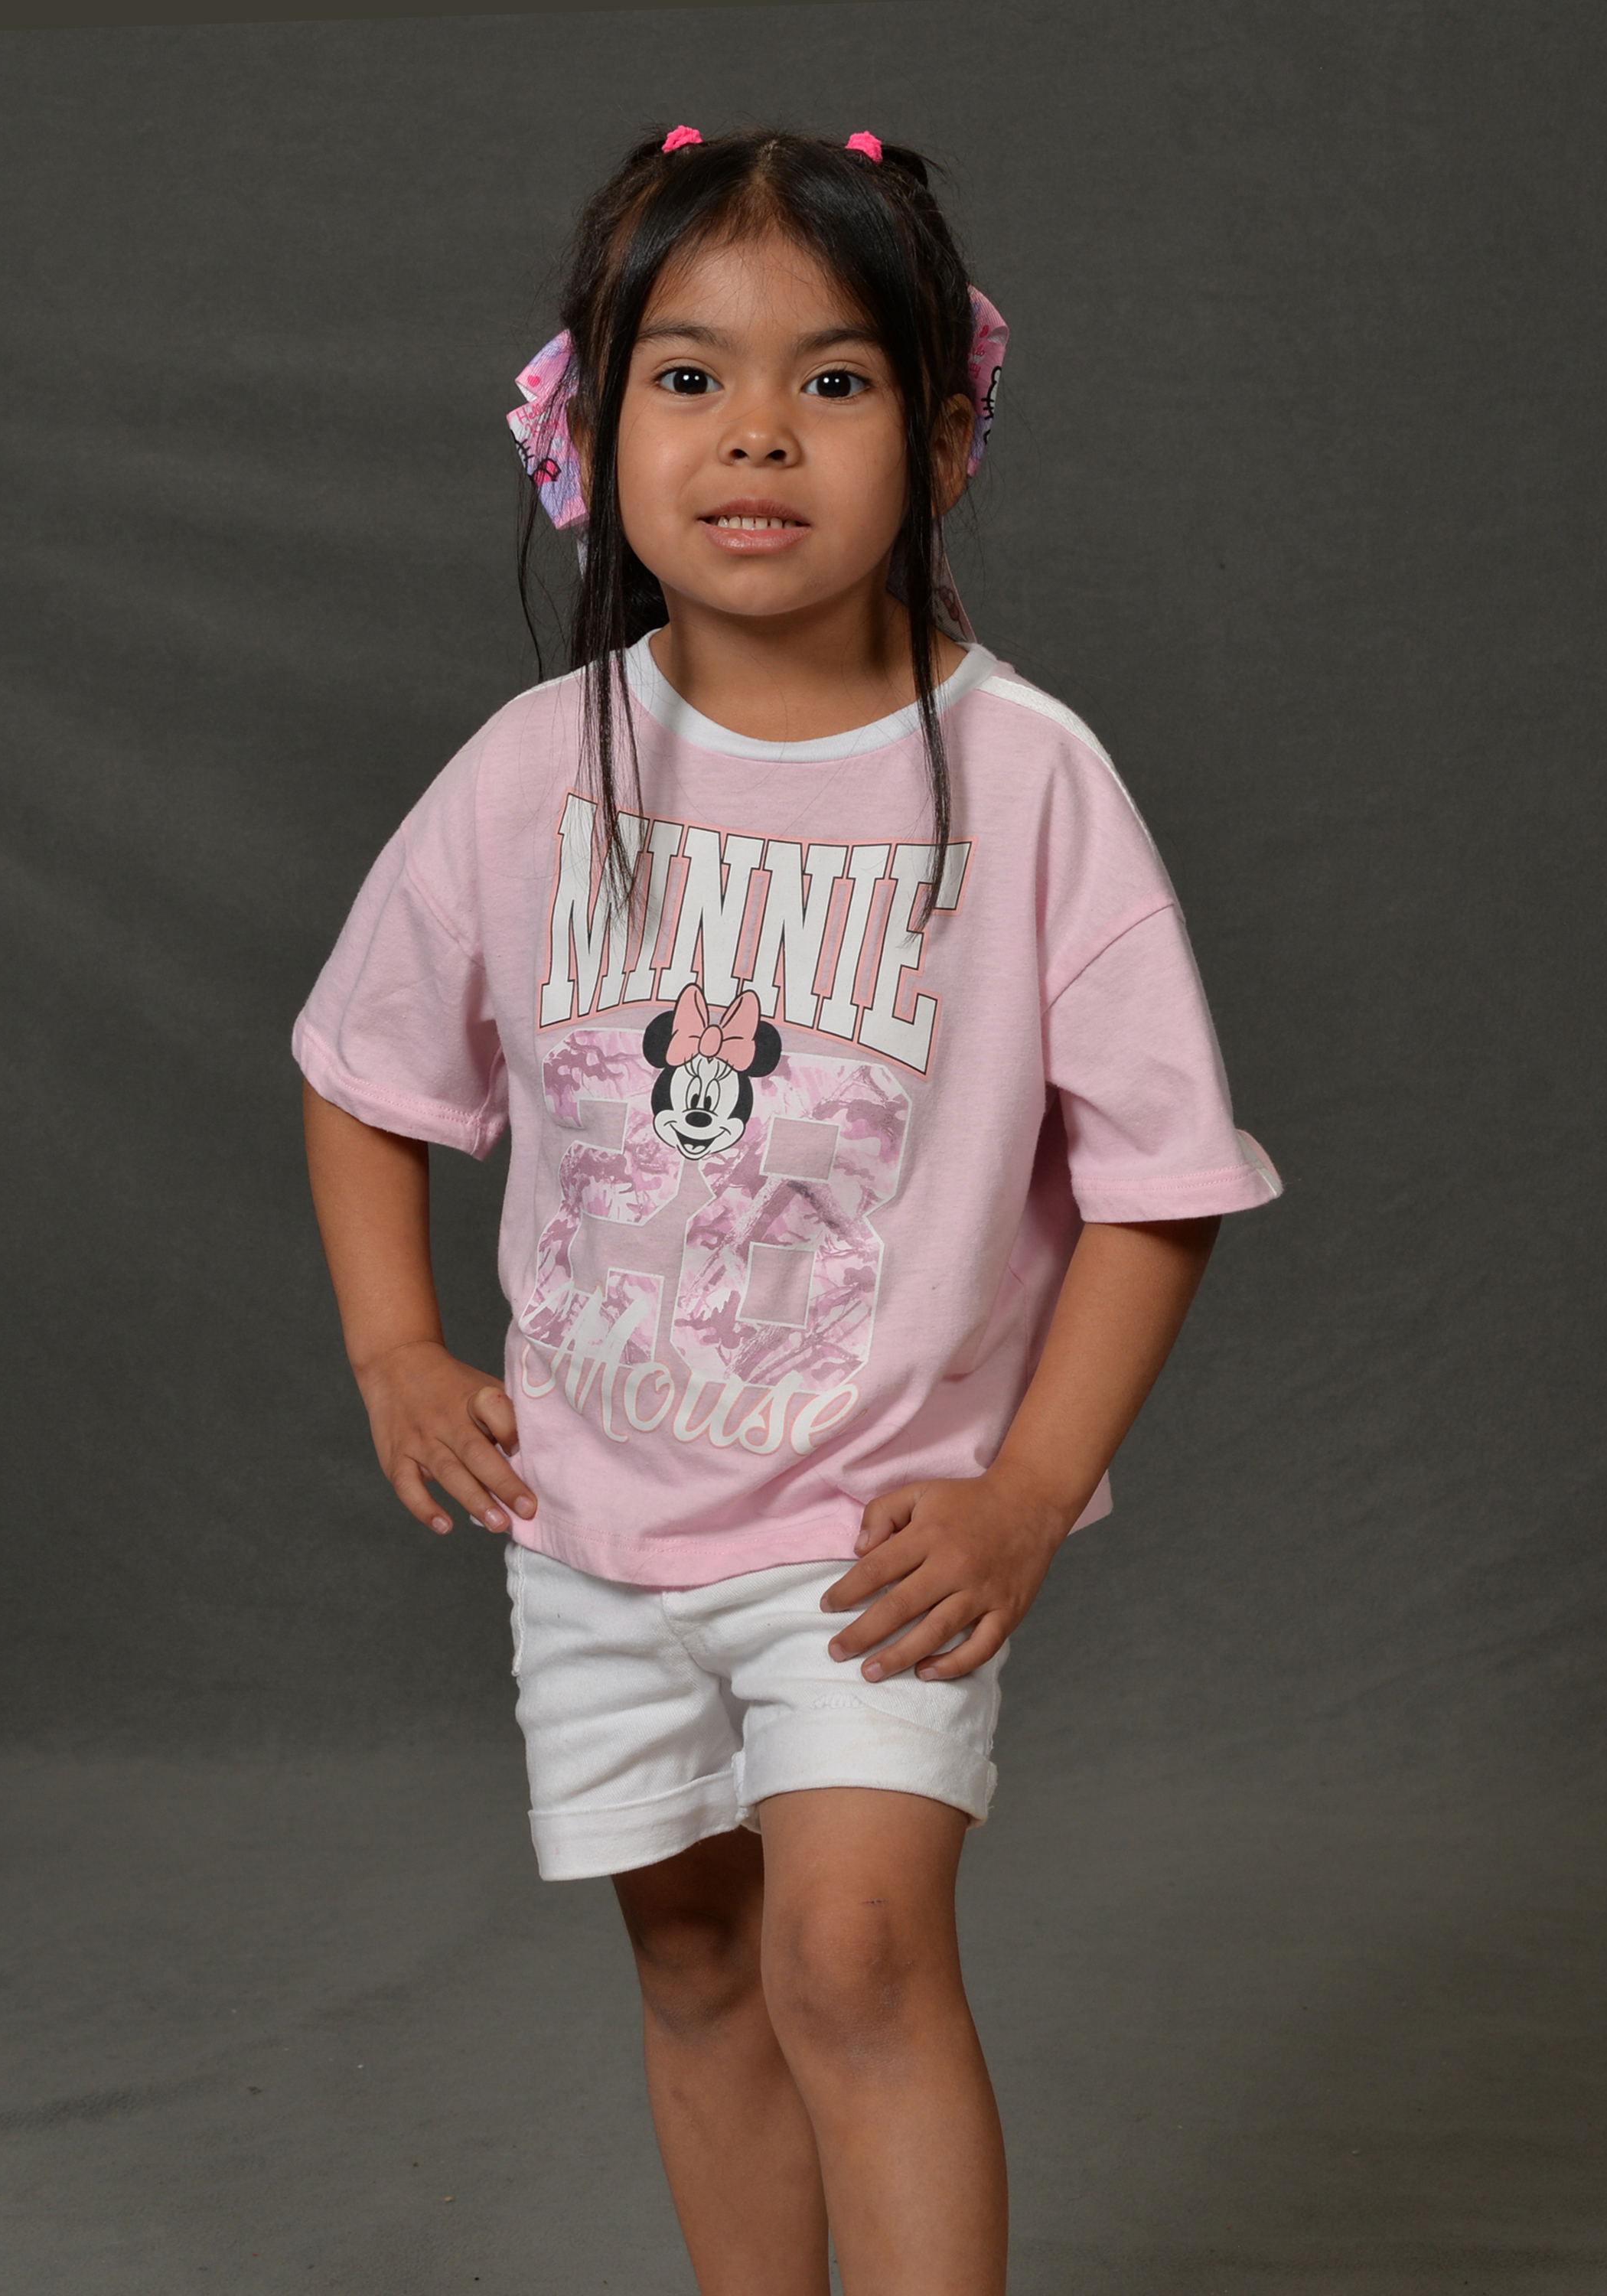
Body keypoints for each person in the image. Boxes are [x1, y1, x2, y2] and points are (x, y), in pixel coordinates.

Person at [295, 124, 1280, 2296]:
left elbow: (1162, 1183)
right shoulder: (532, 772)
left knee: (854, 1952)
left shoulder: (1028, 779)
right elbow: (362, 1076)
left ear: (944, 441)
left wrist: (1032, 1493)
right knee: (696, 1962)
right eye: (689, 376)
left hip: (875, 1531)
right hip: (595, 1517)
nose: (757, 430)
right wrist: (393, 1347)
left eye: (833, 381)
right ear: (586, 433)